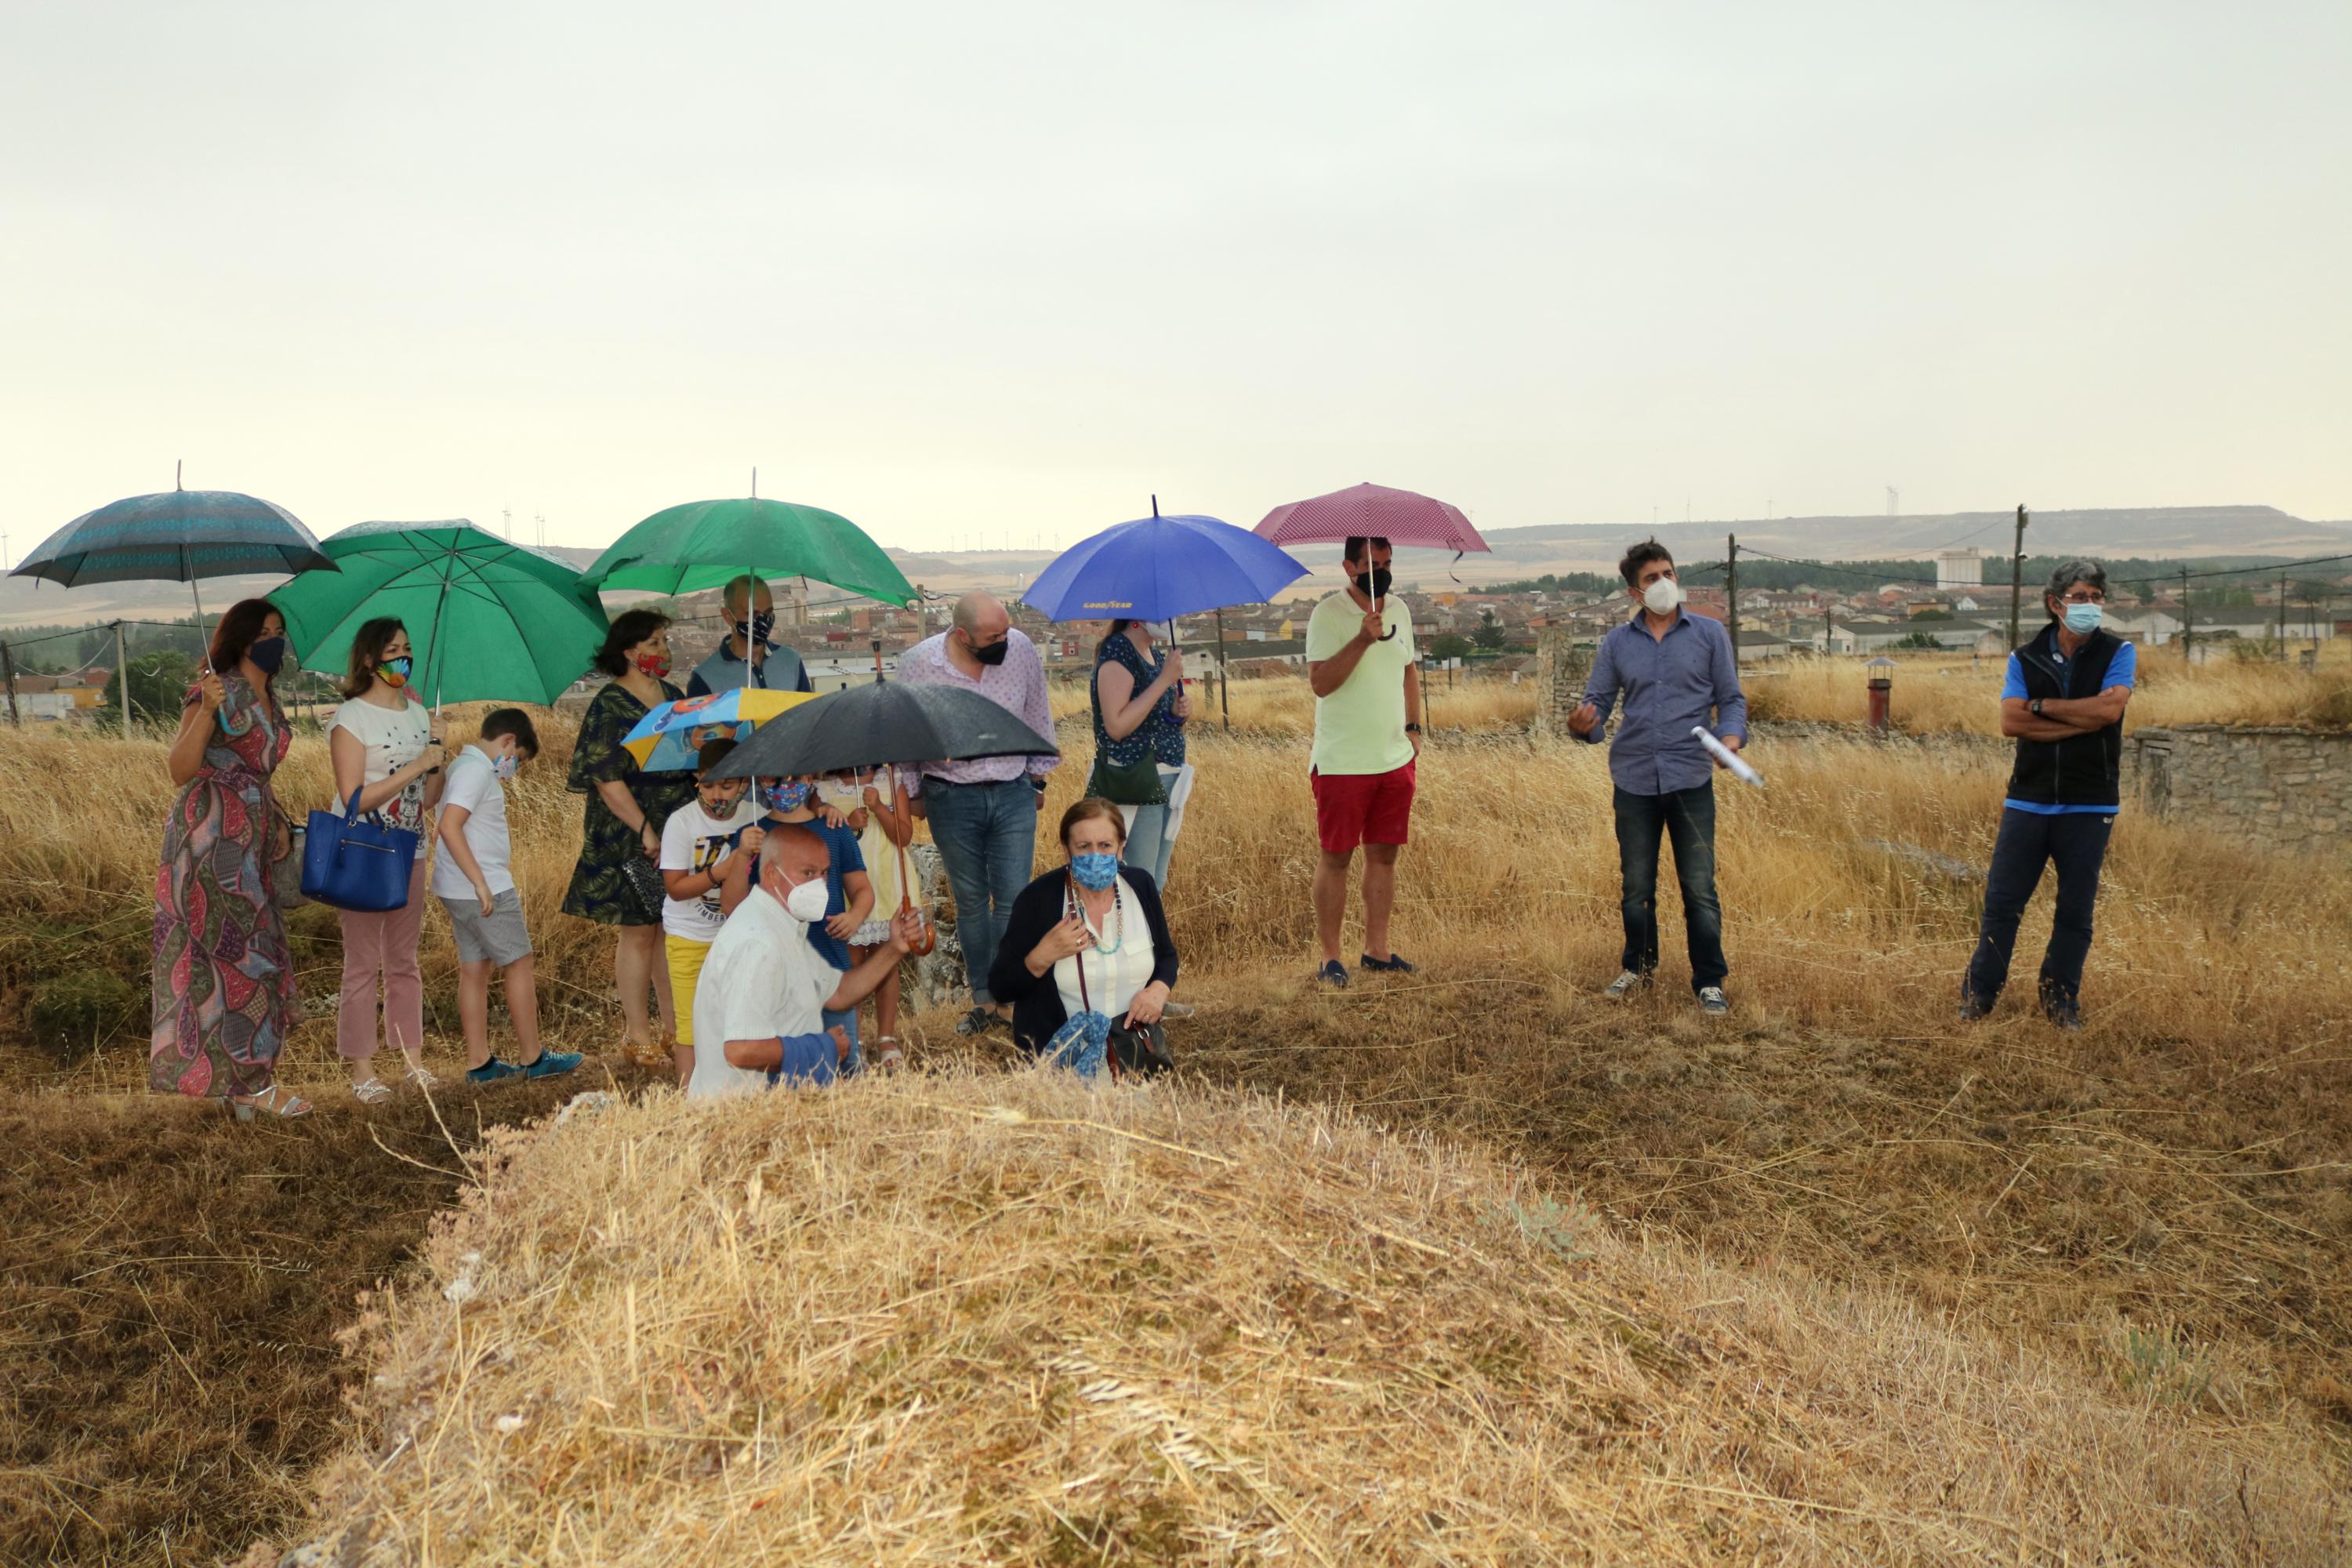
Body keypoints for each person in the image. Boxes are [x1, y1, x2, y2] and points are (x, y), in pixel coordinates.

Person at [1568, 539, 1747, 1015]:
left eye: (1668, 574)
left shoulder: (1709, 635)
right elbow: (1599, 703)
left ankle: (1709, 980)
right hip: (1634, 779)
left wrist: (1730, 737)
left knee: (1699, 887)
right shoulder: (1617, 643)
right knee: (1637, 886)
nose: (1664, 584)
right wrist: (1584, 724)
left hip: (1691, 777)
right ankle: (1638, 968)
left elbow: (1731, 699)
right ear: (1634, 592)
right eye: (1652, 578)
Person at [1959, 561, 2136, 1030]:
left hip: (2090, 801)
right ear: (2056, 603)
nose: (2090, 606)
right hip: (2028, 801)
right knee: (2002, 905)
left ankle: (2060, 1002)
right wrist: (2075, 720)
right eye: (2080, 597)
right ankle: (1979, 997)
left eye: (2097, 596)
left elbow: (2109, 710)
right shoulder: (2026, 657)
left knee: (2074, 912)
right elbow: (2010, 722)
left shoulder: (2119, 652)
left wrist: (2042, 708)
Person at [151, 599, 309, 1118]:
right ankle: (253, 1086)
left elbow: (258, 771)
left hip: (254, 839)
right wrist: (205, 709)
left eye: (280, 631)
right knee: (239, 958)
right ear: (242, 639)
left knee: (248, 956)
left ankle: (242, 1085)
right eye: (265, 631)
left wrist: (279, 820)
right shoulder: (215, 689)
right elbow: (179, 768)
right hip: (210, 838)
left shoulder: (272, 695)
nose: (275, 639)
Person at [897, 592, 1058, 1036]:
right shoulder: (918, 664)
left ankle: (1010, 999)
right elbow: (907, 733)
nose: (1004, 640)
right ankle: (983, 1000)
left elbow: (1036, 713)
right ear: (962, 635)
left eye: (1006, 630)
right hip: (951, 797)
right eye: (994, 636)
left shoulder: (1022, 649)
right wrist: (911, 795)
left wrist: (1038, 778)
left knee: (1013, 901)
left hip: (1012, 791)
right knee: (970, 905)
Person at [686, 825, 925, 1100]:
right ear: (772, 874)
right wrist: (823, 1048)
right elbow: (741, 1051)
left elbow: (838, 993)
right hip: (741, 1115)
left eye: (824, 873)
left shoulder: (783, 925)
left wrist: (895, 947)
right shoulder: (759, 942)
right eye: (808, 873)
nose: (820, 884)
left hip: (769, 1108)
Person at [561, 609, 695, 1065]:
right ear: (631, 653)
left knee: (668, 927)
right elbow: (603, 776)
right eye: (655, 643)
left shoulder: (675, 697)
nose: (664, 650)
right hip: (627, 828)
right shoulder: (609, 705)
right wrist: (645, 829)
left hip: (674, 821)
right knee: (638, 930)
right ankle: (637, 1034)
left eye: (664, 641)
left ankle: (675, 1028)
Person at [430, 709, 581, 1084]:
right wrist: (480, 881)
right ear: (509, 741)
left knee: (475, 969)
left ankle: (480, 1063)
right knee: (520, 962)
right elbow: (449, 825)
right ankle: (534, 1057)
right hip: (484, 887)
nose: (515, 767)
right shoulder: (476, 771)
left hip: (456, 887)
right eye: (520, 759)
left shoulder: (462, 766)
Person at [329, 617, 446, 1102]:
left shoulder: (421, 715)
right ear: (370, 660)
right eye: (393, 649)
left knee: (404, 961)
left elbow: (428, 800)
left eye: (408, 647)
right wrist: (417, 764)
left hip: (411, 849)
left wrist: (440, 756)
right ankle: (362, 1072)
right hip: (361, 851)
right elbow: (353, 798)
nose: (403, 657)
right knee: (362, 963)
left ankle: (412, 1063)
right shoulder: (350, 718)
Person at [1304, 535, 1422, 989]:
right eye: (1373, 564)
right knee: (1336, 858)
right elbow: (1321, 683)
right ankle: (1331, 958)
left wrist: (1414, 729)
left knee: (1384, 856)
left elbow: (1409, 669)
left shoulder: (1402, 610)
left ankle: (1377, 950)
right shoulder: (1327, 614)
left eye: (1388, 562)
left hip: (1393, 758)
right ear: (1348, 567)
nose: (1383, 572)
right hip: (1342, 763)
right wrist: (1361, 639)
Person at [989, 798, 1178, 1061]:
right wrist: (1043, 955)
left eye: (1105, 846)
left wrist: (1159, 989)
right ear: (1067, 852)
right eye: (1083, 847)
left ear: (1121, 848)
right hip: (1062, 1062)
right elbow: (1000, 988)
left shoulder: (1140, 887)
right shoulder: (1038, 899)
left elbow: (1167, 957)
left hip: (1133, 1056)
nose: (1095, 856)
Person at [659, 739, 764, 1087]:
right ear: (696, 780)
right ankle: (690, 1097)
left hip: (740, 937)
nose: (717, 794)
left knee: (742, 1015)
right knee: (690, 1024)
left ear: (744, 783)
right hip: (690, 935)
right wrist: (723, 870)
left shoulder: (757, 818)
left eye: (727, 785)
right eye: (707, 785)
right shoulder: (681, 822)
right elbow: (675, 888)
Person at [1090, 618, 1192, 889]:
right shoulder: (1118, 653)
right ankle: (1136, 931)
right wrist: (1164, 680)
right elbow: (1116, 726)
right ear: (1140, 617)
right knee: (1139, 881)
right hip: (1137, 779)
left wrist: (1174, 713)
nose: (1172, 619)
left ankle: (1150, 932)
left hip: (1168, 776)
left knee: (1155, 881)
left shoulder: (1154, 654)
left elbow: (1150, 717)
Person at [684, 574, 812, 697]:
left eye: (768, 612)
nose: (762, 620)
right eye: (752, 614)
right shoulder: (704, 678)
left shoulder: (790, 661)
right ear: (728, 616)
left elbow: (809, 715)